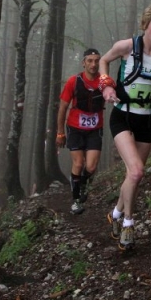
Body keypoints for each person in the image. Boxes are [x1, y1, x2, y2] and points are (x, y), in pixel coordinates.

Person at [99, 3, 151, 251]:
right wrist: (106, 86)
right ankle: (128, 222)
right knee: (136, 172)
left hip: (147, 118)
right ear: (145, 25)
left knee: (133, 175)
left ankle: (115, 213)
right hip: (123, 115)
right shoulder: (126, 46)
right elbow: (104, 60)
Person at [56, 48, 105, 215]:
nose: (93, 64)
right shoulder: (73, 81)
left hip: (95, 129)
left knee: (91, 166)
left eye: (96, 61)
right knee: (78, 163)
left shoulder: (104, 81)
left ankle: (83, 183)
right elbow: (63, 107)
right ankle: (76, 200)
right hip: (75, 128)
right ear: (83, 63)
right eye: (90, 61)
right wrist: (60, 133)